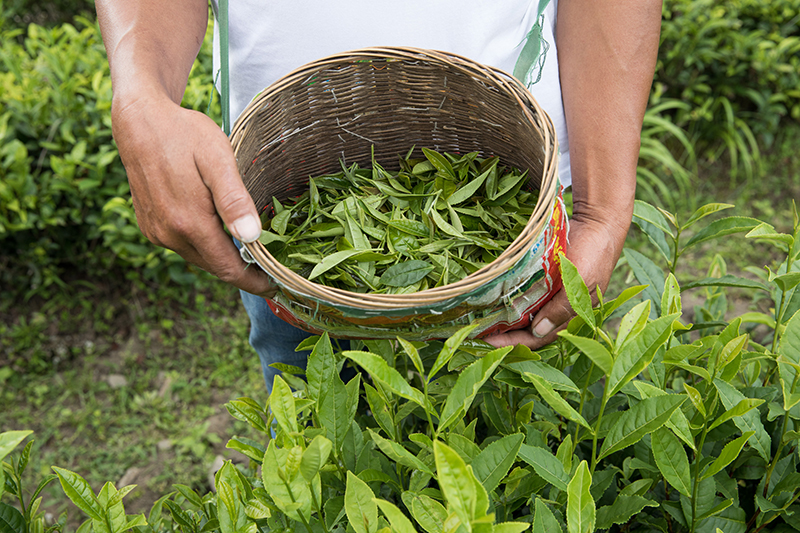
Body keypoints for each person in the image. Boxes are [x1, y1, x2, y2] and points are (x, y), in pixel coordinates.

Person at [95, 0, 662, 388]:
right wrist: (140, 94)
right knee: (323, 485)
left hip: (520, 244)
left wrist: (601, 211)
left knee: (531, 474)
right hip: (281, 236)